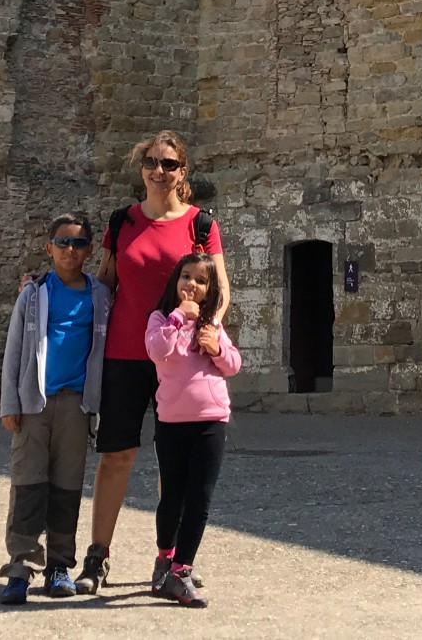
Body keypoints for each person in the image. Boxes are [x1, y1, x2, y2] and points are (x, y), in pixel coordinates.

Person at [73, 130, 229, 596]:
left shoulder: (201, 225)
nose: (159, 171)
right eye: (152, 162)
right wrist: (46, 291)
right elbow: (103, 283)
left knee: (173, 464)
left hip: (180, 362)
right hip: (125, 352)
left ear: (183, 172)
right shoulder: (122, 221)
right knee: (115, 455)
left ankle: (171, 561)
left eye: (170, 164)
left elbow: (220, 291)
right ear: (141, 167)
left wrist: (211, 331)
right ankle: (97, 556)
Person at [0, 215, 111, 605]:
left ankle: (60, 564)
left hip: (76, 405)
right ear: (49, 249)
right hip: (34, 403)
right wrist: (10, 403)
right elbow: (14, 350)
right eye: (62, 243)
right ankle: (20, 565)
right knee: (28, 484)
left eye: (78, 244)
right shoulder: (34, 294)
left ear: (89, 250)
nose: (69, 250)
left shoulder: (99, 296)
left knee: (66, 487)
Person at [144, 253, 239, 607]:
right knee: (172, 496)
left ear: (209, 290)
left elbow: (233, 365)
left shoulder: (213, 324)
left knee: (200, 498)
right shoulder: (160, 319)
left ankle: (181, 570)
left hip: (212, 420)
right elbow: (157, 350)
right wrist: (178, 317)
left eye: (201, 281)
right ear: (175, 281)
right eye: (186, 277)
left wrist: (216, 348)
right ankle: (164, 558)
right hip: (172, 423)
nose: (192, 285)